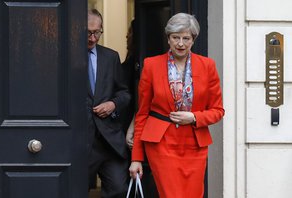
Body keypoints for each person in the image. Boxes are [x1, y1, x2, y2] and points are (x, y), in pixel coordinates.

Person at [129, 13, 225, 198]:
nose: (180, 43)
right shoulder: (151, 65)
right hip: (162, 144)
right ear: (168, 39)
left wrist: (195, 117)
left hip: (195, 144)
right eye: (175, 38)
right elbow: (142, 114)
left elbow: (218, 110)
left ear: (193, 39)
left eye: (186, 38)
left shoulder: (208, 66)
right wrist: (136, 158)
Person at [87, 9, 131, 197]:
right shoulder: (66, 57)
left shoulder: (110, 57)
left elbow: (125, 92)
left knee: (118, 189)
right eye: (88, 32)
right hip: (81, 141)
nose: (93, 38)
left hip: (110, 141)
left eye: (97, 32)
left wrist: (113, 104)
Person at [121, 20, 159, 198]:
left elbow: (143, 103)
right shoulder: (131, 61)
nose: (127, 36)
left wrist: (133, 124)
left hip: (143, 124)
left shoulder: (143, 64)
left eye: (130, 33)